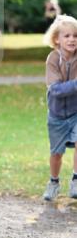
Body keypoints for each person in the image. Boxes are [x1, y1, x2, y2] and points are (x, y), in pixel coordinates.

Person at [42, 14, 77, 201]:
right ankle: (54, 182)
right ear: (57, 39)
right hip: (56, 115)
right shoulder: (53, 59)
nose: (72, 39)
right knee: (56, 154)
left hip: (76, 112)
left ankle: (76, 180)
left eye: (75, 36)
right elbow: (55, 90)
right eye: (67, 36)